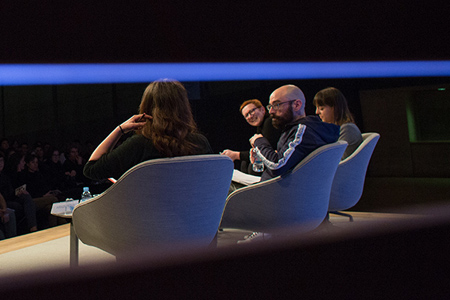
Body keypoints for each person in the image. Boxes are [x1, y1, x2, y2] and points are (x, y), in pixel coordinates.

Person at [233, 84, 340, 243]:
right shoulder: (300, 129)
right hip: (289, 196)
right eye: (270, 106)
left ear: (296, 104)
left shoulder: (301, 130)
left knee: (227, 182)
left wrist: (260, 142)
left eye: (276, 105)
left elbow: (278, 166)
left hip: (286, 202)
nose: (271, 111)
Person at [84, 79, 213, 181]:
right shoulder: (200, 143)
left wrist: (120, 129)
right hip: (195, 214)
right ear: (184, 108)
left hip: (150, 214)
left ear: (147, 108)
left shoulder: (139, 145)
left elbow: (91, 169)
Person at [221, 99, 281, 175]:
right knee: (246, 164)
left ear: (262, 109)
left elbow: (266, 152)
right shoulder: (260, 127)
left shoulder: (269, 122)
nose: (250, 116)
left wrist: (236, 155)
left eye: (251, 111)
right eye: (246, 115)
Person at [313, 87, 363, 160]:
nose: (316, 112)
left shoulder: (347, 129)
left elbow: (337, 161)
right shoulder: (334, 130)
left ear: (335, 108)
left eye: (321, 108)